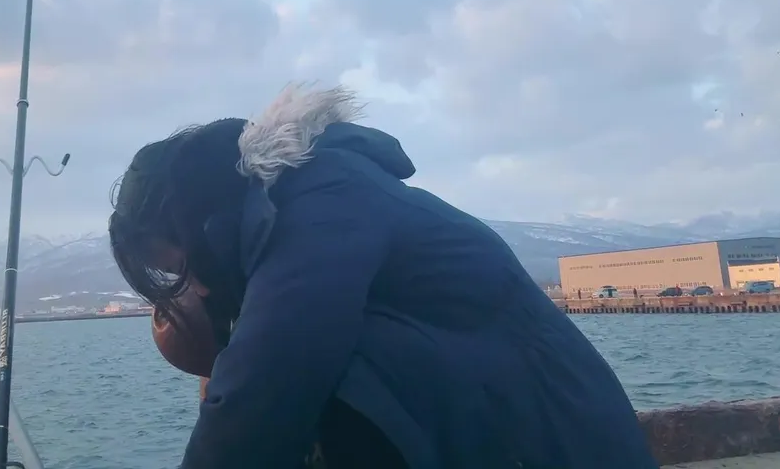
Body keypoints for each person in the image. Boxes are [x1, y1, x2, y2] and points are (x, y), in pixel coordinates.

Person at [108, 85, 659, 469]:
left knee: (322, 371)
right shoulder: (306, 208)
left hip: (560, 441)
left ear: (202, 220)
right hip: (528, 433)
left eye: (182, 267)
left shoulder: (322, 201)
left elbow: (270, 378)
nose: (199, 288)